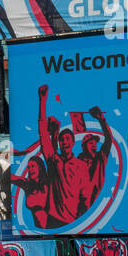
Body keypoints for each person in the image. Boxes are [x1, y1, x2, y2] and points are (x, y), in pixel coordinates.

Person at [37, 85, 94, 227]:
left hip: (73, 223)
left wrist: (84, 223)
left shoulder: (81, 166)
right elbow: (43, 131)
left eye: (68, 139)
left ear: (74, 143)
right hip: (53, 221)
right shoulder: (53, 160)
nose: (65, 142)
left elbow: (85, 198)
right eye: (62, 140)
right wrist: (42, 100)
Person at [12, 156, 51, 229]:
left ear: (40, 167)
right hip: (38, 231)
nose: (30, 169)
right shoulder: (27, 185)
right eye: (28, 167)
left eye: (33, 166)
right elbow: (11, 177)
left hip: (52, 230)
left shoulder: (49, 185)